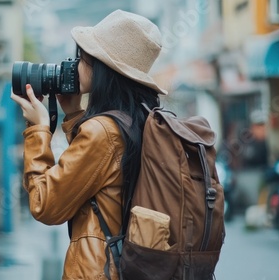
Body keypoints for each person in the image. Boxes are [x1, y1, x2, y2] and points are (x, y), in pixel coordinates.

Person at [11, 10, 168, 279]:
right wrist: (73, 116)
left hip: (99, 271)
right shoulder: (140, 119)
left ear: (105, 71)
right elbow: (98, 178)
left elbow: (45, 204)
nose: (74, 66)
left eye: (83, 60)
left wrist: (38, 129)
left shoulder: (103, 132)